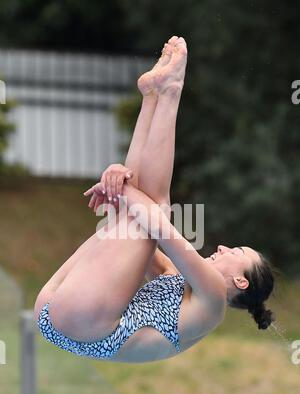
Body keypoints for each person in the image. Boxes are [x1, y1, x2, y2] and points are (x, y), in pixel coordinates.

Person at [34, 36, 275, 363]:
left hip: (80, 318)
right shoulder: (179, 281)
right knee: (138, 215)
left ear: (240, 281)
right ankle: (153, 95)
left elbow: (161, 228)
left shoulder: (214, 300)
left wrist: (117, 186)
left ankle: (170, 92)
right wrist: (119, 188)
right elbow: (138, 232)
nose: (222, 248)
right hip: (64, 315)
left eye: (235, 252)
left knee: (156, 211)